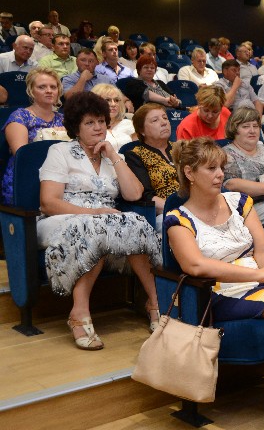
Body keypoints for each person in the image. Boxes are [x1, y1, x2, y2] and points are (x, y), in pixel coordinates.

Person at [166, 137, 264, 429]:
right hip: (217, 293)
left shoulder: (239, 202)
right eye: (211, 168)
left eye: (221, 167)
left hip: (261, 281)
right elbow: (196, 265)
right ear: (189, 173)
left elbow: (263, 247)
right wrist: (262, 276)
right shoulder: (178, 219)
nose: (220, 174)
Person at [38, 92, 160, 350]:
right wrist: (94, 213)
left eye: (102, 122)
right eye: (90, 123)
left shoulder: (111, 155)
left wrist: (114, 156)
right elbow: (49, 202)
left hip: (105, 220)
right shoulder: (60, 151)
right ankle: (79, 312)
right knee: (99, 228)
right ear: (76, 128)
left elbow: (134, 194)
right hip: (62, 217)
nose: (98, 128)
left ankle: (155, 302)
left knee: (136, 223)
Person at [2, 68, 65, 204]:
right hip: (27, 178)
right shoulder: (20, 116)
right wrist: (52, 137)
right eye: (42, 87)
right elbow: (22, 155)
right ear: (31, 91)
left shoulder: (64, 119)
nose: (49, 90)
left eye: (53, 87)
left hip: (61, 176)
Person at [123, 103, 178, 229]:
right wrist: (179, 208)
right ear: (142, 130)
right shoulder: (135, 155)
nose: (164, 123)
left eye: (165, 118)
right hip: (165, 211)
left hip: (197, 204)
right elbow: (146, 196)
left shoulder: (182, 148)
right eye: (155, 120)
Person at [91, 84, 136, 151]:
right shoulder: (89, 127)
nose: (113, 104)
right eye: (107, 100)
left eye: (116, 100)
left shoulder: (129, 124)